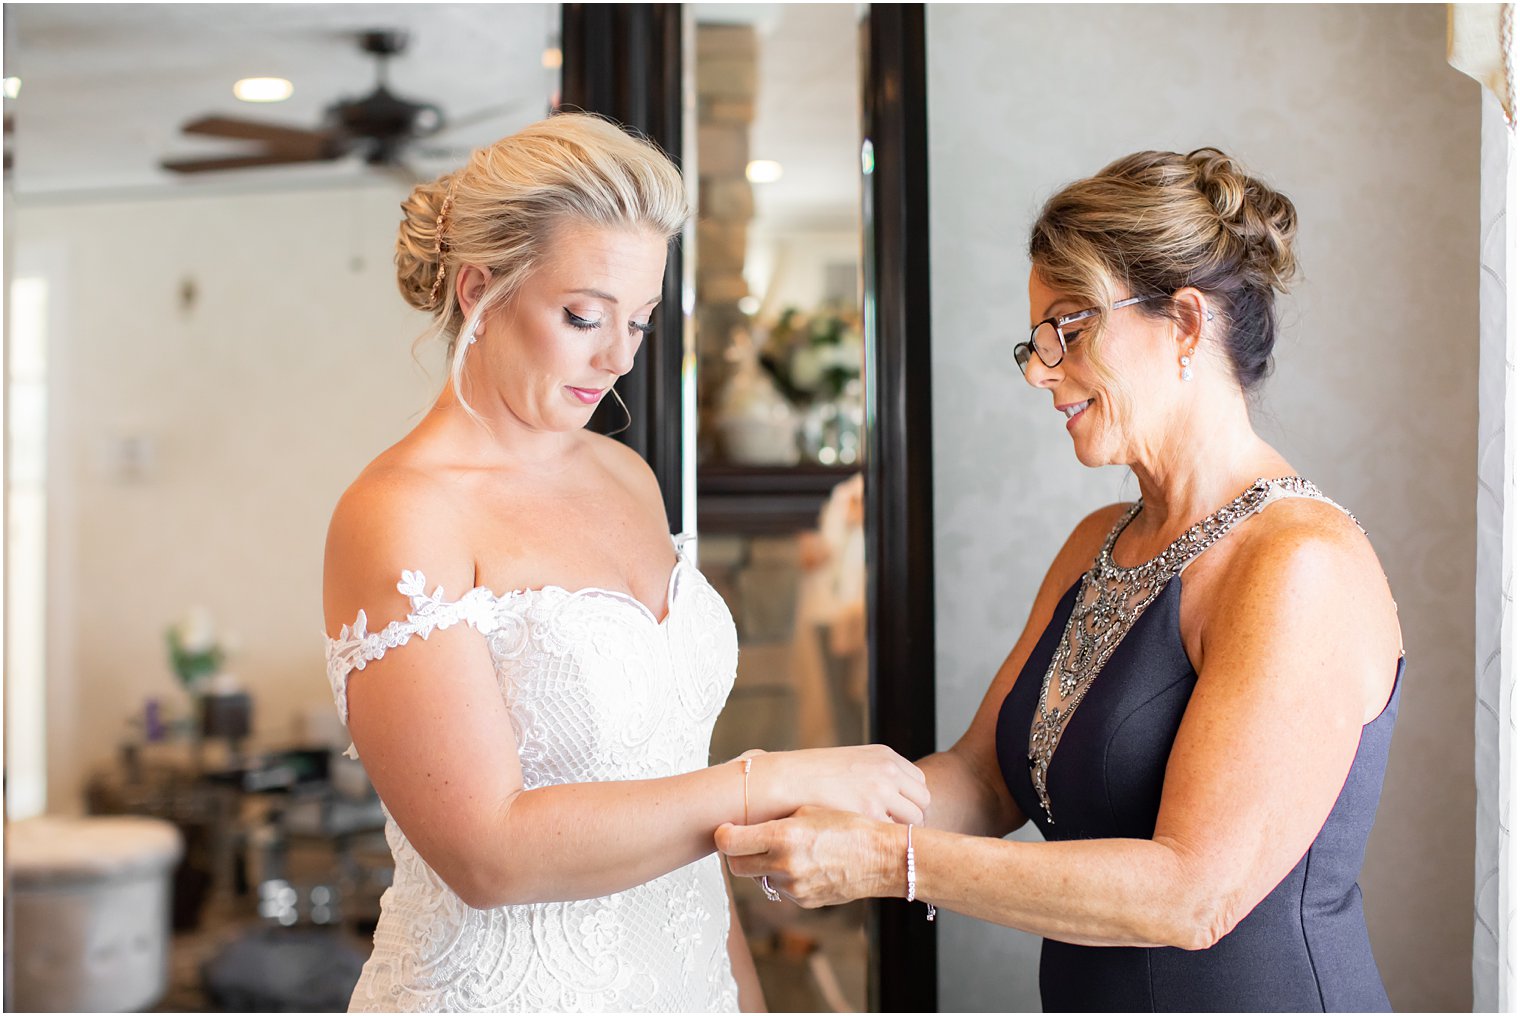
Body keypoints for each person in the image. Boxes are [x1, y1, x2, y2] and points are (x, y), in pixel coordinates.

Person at [717, 148, 1403, 1012]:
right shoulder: (1097, 543)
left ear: (1186, 324)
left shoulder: (1300, 564)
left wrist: (890, 862)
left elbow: (1194, 896)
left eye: (1070, 328)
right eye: (1037, 339)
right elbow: (984, 778)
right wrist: (806, 796)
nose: (1041, 369)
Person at [322, 113, 928, 1013]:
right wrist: (778, 778)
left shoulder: (629, 477)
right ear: (479, 289)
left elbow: (675, 797)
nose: (615, 360)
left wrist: (740, 994)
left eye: (638, 324)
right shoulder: (402, 514)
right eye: (582, 317)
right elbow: (488, 856)